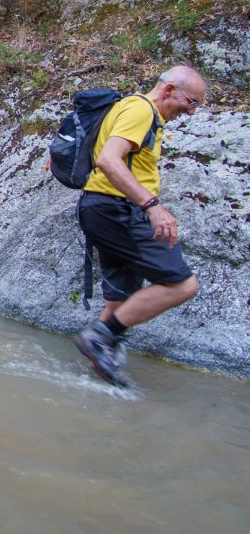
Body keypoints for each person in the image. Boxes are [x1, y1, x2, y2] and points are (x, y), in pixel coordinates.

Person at [74, 65, 206, 387]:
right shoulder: (140, 110)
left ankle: (97, 376)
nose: (190, 112)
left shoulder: (140, 112)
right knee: (182, 284)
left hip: (107, 209)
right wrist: (153, 207)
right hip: (114, 210)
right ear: (170, 89)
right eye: (190, 102)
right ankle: (99, 338)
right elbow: (108, 160)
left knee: (121, 299)